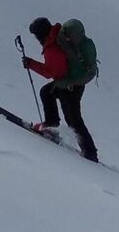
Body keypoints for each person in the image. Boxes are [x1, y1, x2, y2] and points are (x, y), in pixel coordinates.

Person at [23, 15, 99, 162]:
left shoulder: (53, 46)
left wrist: (31, 64)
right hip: (71, 83)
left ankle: (90, 152)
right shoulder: (58, 36)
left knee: (73, 119)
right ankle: (51, 126)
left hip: (70, 86)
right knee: (47, 93)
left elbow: (52, 72)